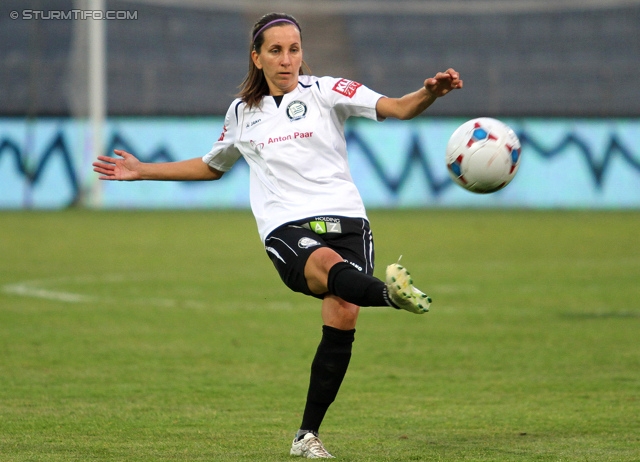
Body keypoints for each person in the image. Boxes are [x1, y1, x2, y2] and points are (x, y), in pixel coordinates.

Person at [93, 12, 462, 459]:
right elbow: (213, 165)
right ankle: (391, 296)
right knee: (328, 268)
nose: (287, 60)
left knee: (343, 311)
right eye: (276, 51)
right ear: (257, 56)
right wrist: (143, 171)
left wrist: (429, 93)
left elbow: (400, 108)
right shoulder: (242, 113)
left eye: (294, 50)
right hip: (287, 225)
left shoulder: (327, 91)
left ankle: (307, 436)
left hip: (348, 221)